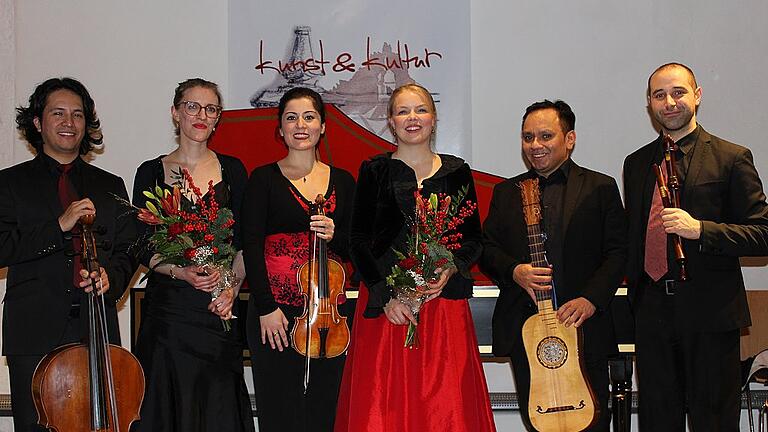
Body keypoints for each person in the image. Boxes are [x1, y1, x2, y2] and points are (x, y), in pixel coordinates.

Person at [334, 83, 496, 432]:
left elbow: (472, 240)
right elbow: (357, 240)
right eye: (403, 111)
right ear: (391, 122)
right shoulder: (374, 170)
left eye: (420, 109)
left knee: (444, 407)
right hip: (388, 311)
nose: (412, 118)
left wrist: (452, 267)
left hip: (441, 307)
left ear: (434, 119)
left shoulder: (456, 172)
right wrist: (385, 295)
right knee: (384, 407)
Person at [623, 62, 768, 431]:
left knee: (714, 422)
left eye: (678, 92)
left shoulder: (731, 157)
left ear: (697, 96)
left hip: (711, 314)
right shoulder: (637, 163)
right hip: (652, 314)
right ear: (650, 105)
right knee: (657, 421)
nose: (669, 102)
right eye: (659, 95)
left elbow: (762, 234)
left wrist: (701, 230)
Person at [0, 77, 137, 432]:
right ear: (37, 122)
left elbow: (129, 248)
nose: (69, 122)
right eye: (58, 113)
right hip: (33, 332)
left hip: (95, 327)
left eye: (77, 115)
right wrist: (57, 226)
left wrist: (113, 279)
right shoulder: (10, 183)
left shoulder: (110, 185)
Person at [482, 100, 626, 431]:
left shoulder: (600, 188)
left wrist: (590, 299)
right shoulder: (506, 192)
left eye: (546, 136)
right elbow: (487, 249)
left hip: (584, 328)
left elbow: (619, 252)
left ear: (570, 139)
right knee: (538, 424)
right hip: (526, 331)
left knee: (592, 424)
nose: (535, 145)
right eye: (527, 137)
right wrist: (515, 271)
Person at [131, 78, 254, 432]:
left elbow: (245, 241)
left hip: (217, 312)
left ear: (218, 119)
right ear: (175, 113)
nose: (201, 115)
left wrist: (230, 287)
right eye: (192, 106)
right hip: (169, 313)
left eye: (211, 109)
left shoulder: (233, 170)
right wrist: (179, 272)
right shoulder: (150, 172)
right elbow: (143, 243)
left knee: (217, 410)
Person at [241, 87, 356, 432]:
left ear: (323, 127)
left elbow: (355, 250)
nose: (300, 125)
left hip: (327, 317)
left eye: (309, 117)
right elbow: (250, 244)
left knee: (325, 409)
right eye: (291, 118)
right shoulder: (263, 179)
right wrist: (265, 307)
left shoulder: (344, 182)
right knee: (279, 411)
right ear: (280, 129)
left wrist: (336, 234)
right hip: (274, 313)